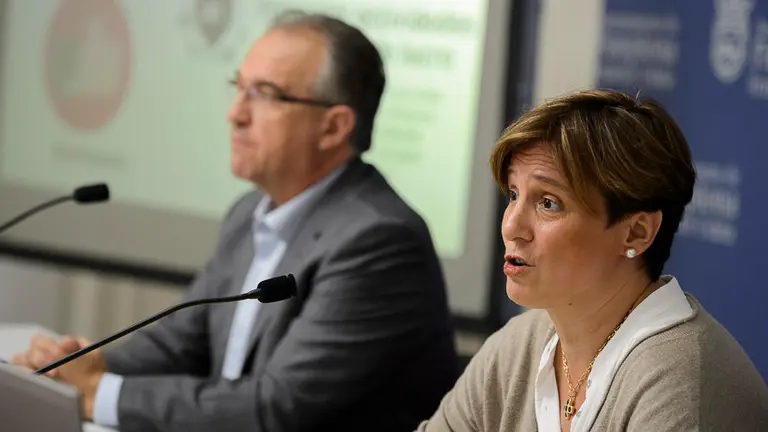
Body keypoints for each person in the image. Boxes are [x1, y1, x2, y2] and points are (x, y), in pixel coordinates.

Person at [12, 11, 458, 432]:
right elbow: (183, 343)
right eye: (238, 88)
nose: (236, 113)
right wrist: (76, 370)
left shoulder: (378, 240)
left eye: (263, 94)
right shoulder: (250, 211)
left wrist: (100, 393)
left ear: (333, 127)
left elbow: (276, 407)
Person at [417, 89, 768, 431]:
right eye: (513, 194)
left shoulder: (682, 387)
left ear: (636, 233)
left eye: (548, 203)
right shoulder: (519, 346)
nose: (511, 226)